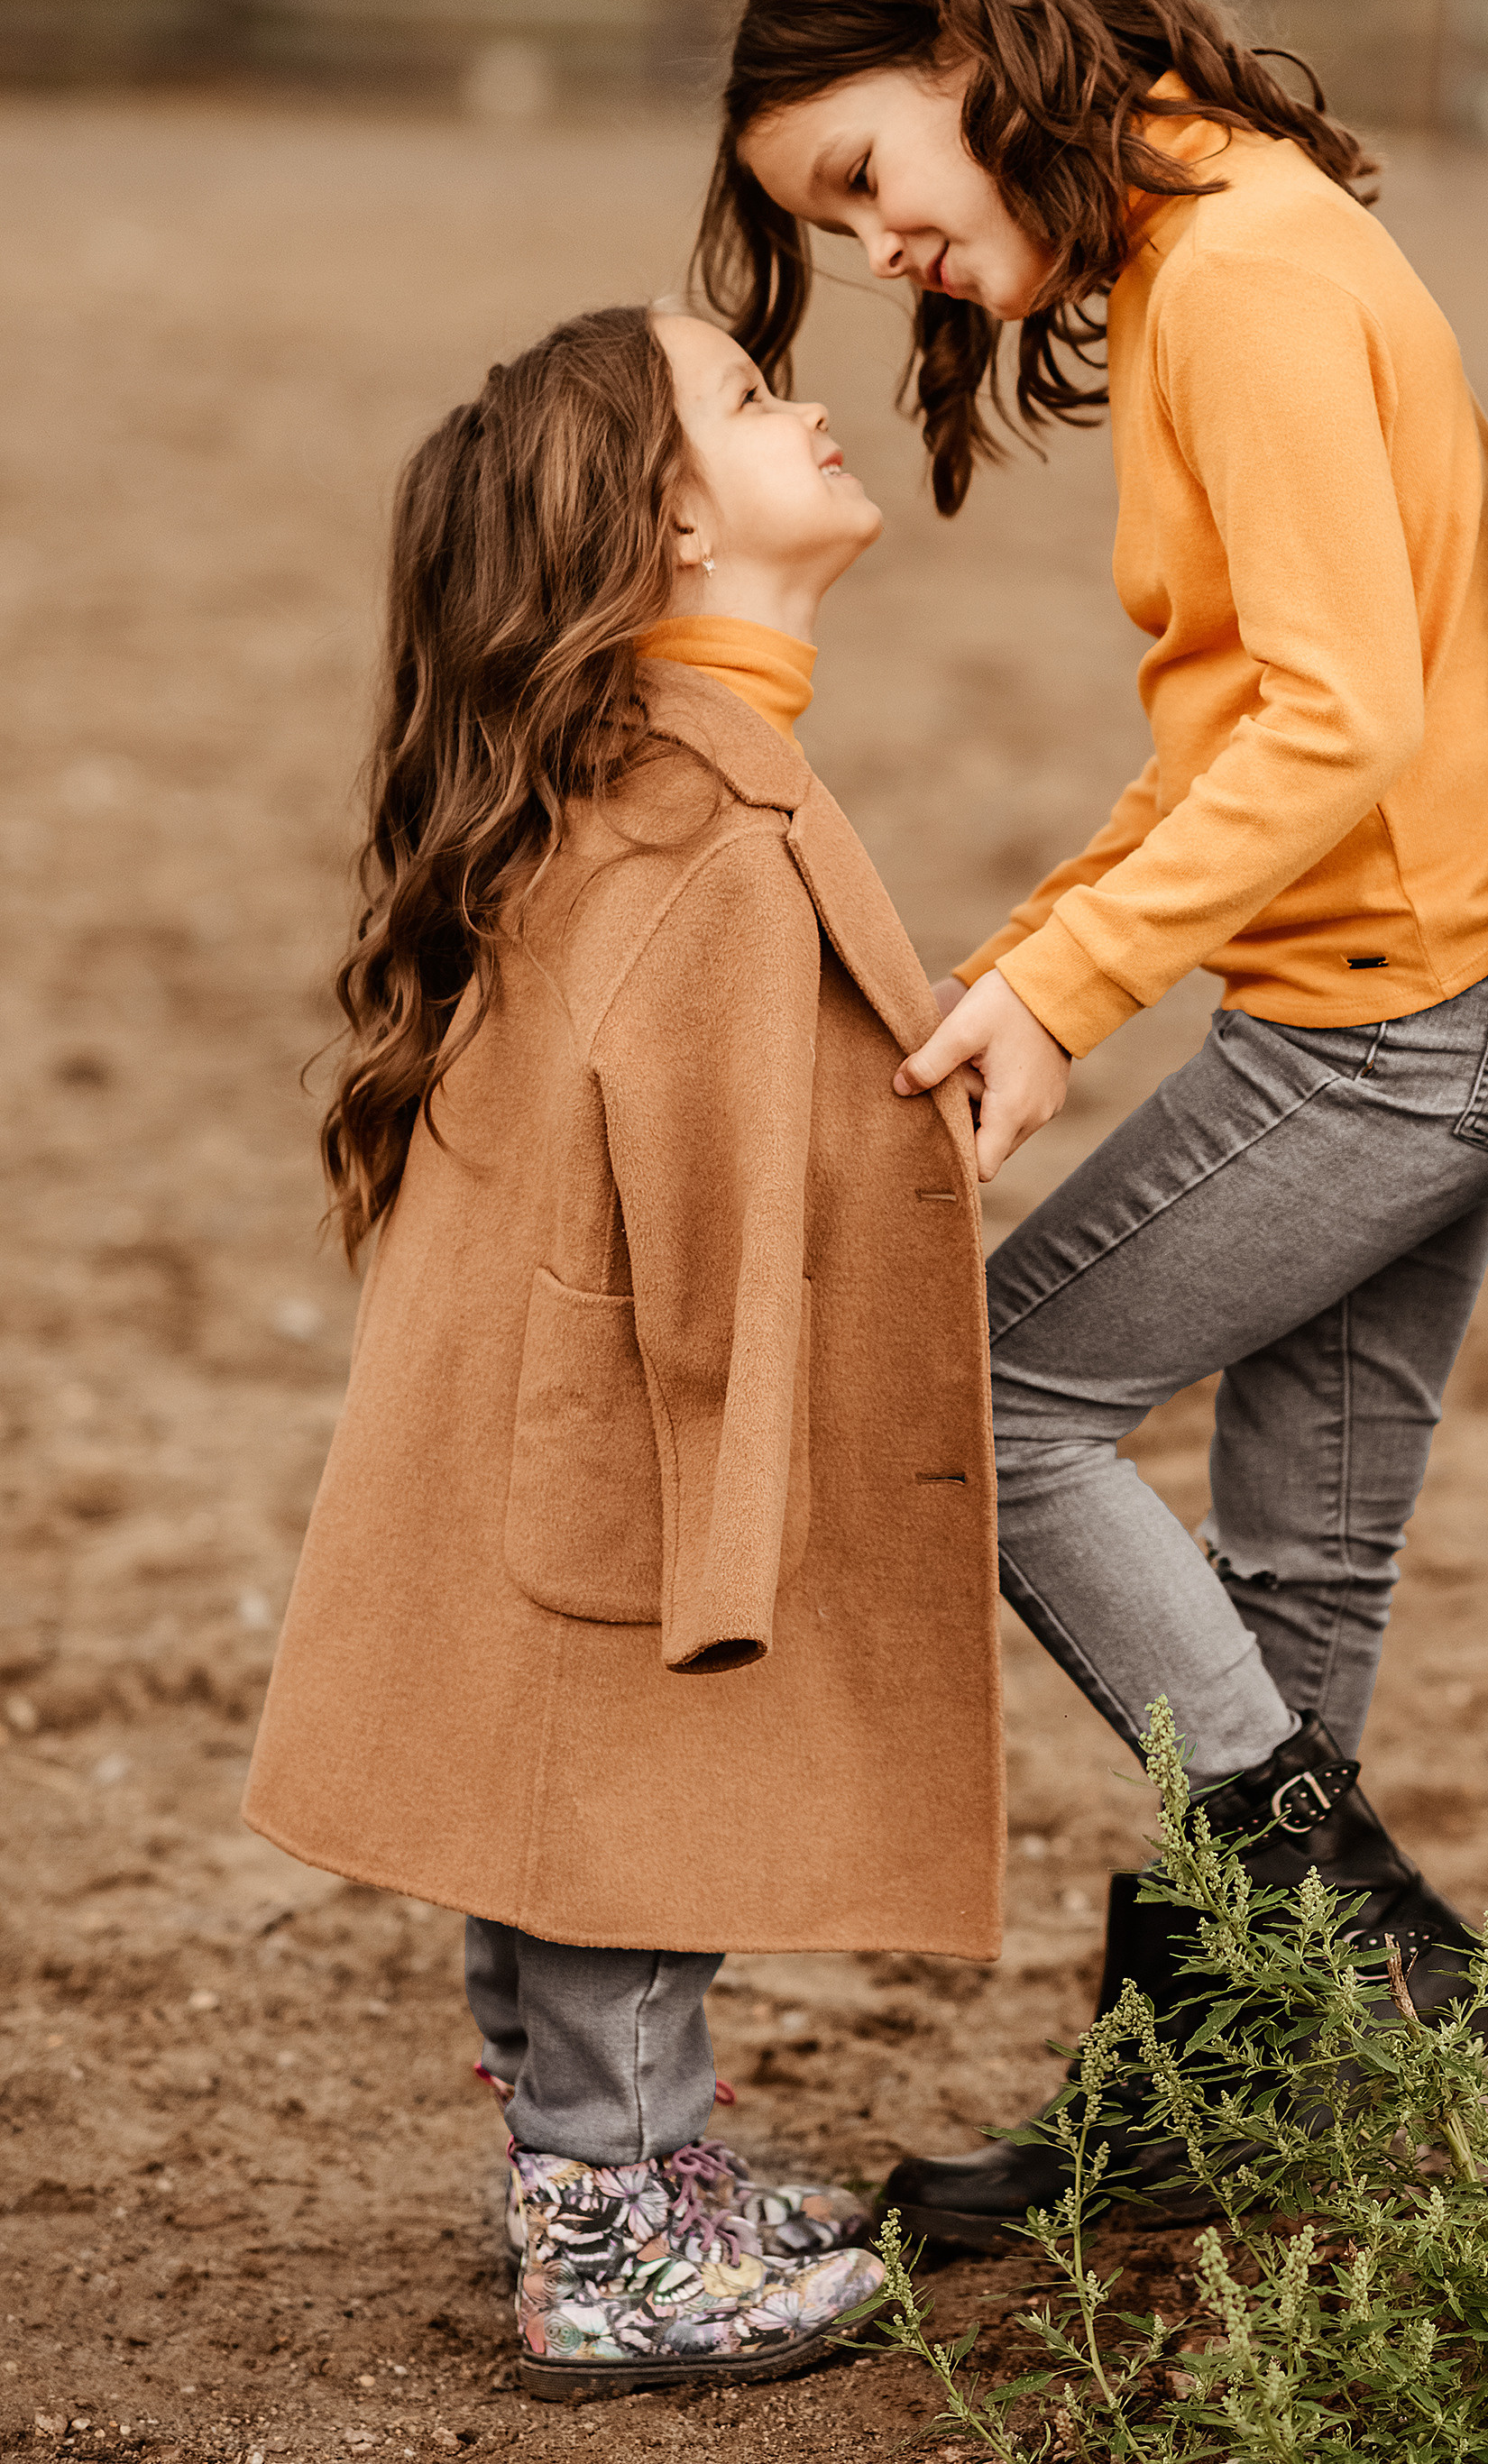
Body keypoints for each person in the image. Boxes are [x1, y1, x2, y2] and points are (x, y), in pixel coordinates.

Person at [695, 0, 1488, 2244]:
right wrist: (1040, 951)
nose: (880, 246)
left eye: (867, 173)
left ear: (979, 55)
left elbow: (1334, 721)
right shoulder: (1223, 243)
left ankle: (1340, 1941)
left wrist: (1070, 989)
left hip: (1385, 1019)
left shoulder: (1254, 281)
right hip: (1430, 994)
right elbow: (1229, 734)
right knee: (1294, 1578)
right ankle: (1229, 2097)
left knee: (992, 1403)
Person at [243, 304, 1005, 2388]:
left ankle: (627, 2168)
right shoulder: (705, 839)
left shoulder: (642, 784)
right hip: (637, 1439)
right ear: (669, 519)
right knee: (628, 1810)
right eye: (753, 399)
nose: (814, 402)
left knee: (564, 1801)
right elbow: (703, 1230)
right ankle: (616, 2232)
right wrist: (735, 1514)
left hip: (563, 1430)